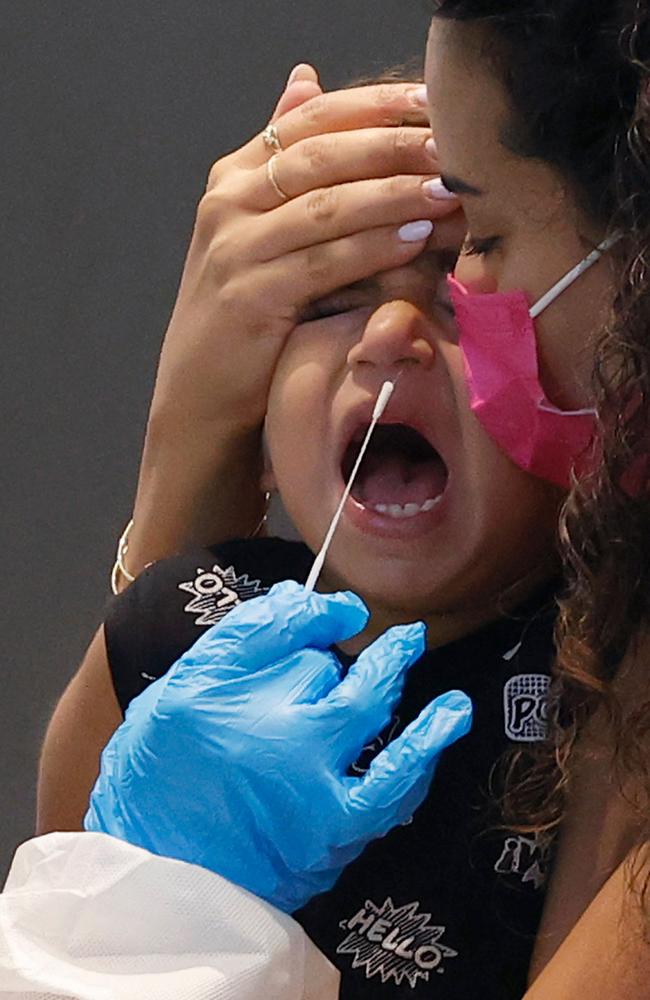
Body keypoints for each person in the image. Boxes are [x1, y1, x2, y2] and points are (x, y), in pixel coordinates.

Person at [34, 68, 597, 1000]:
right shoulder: (173, 619)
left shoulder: (610, 701)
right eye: (331, 302)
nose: (388, 336)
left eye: (464, 296)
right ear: (253, 429)